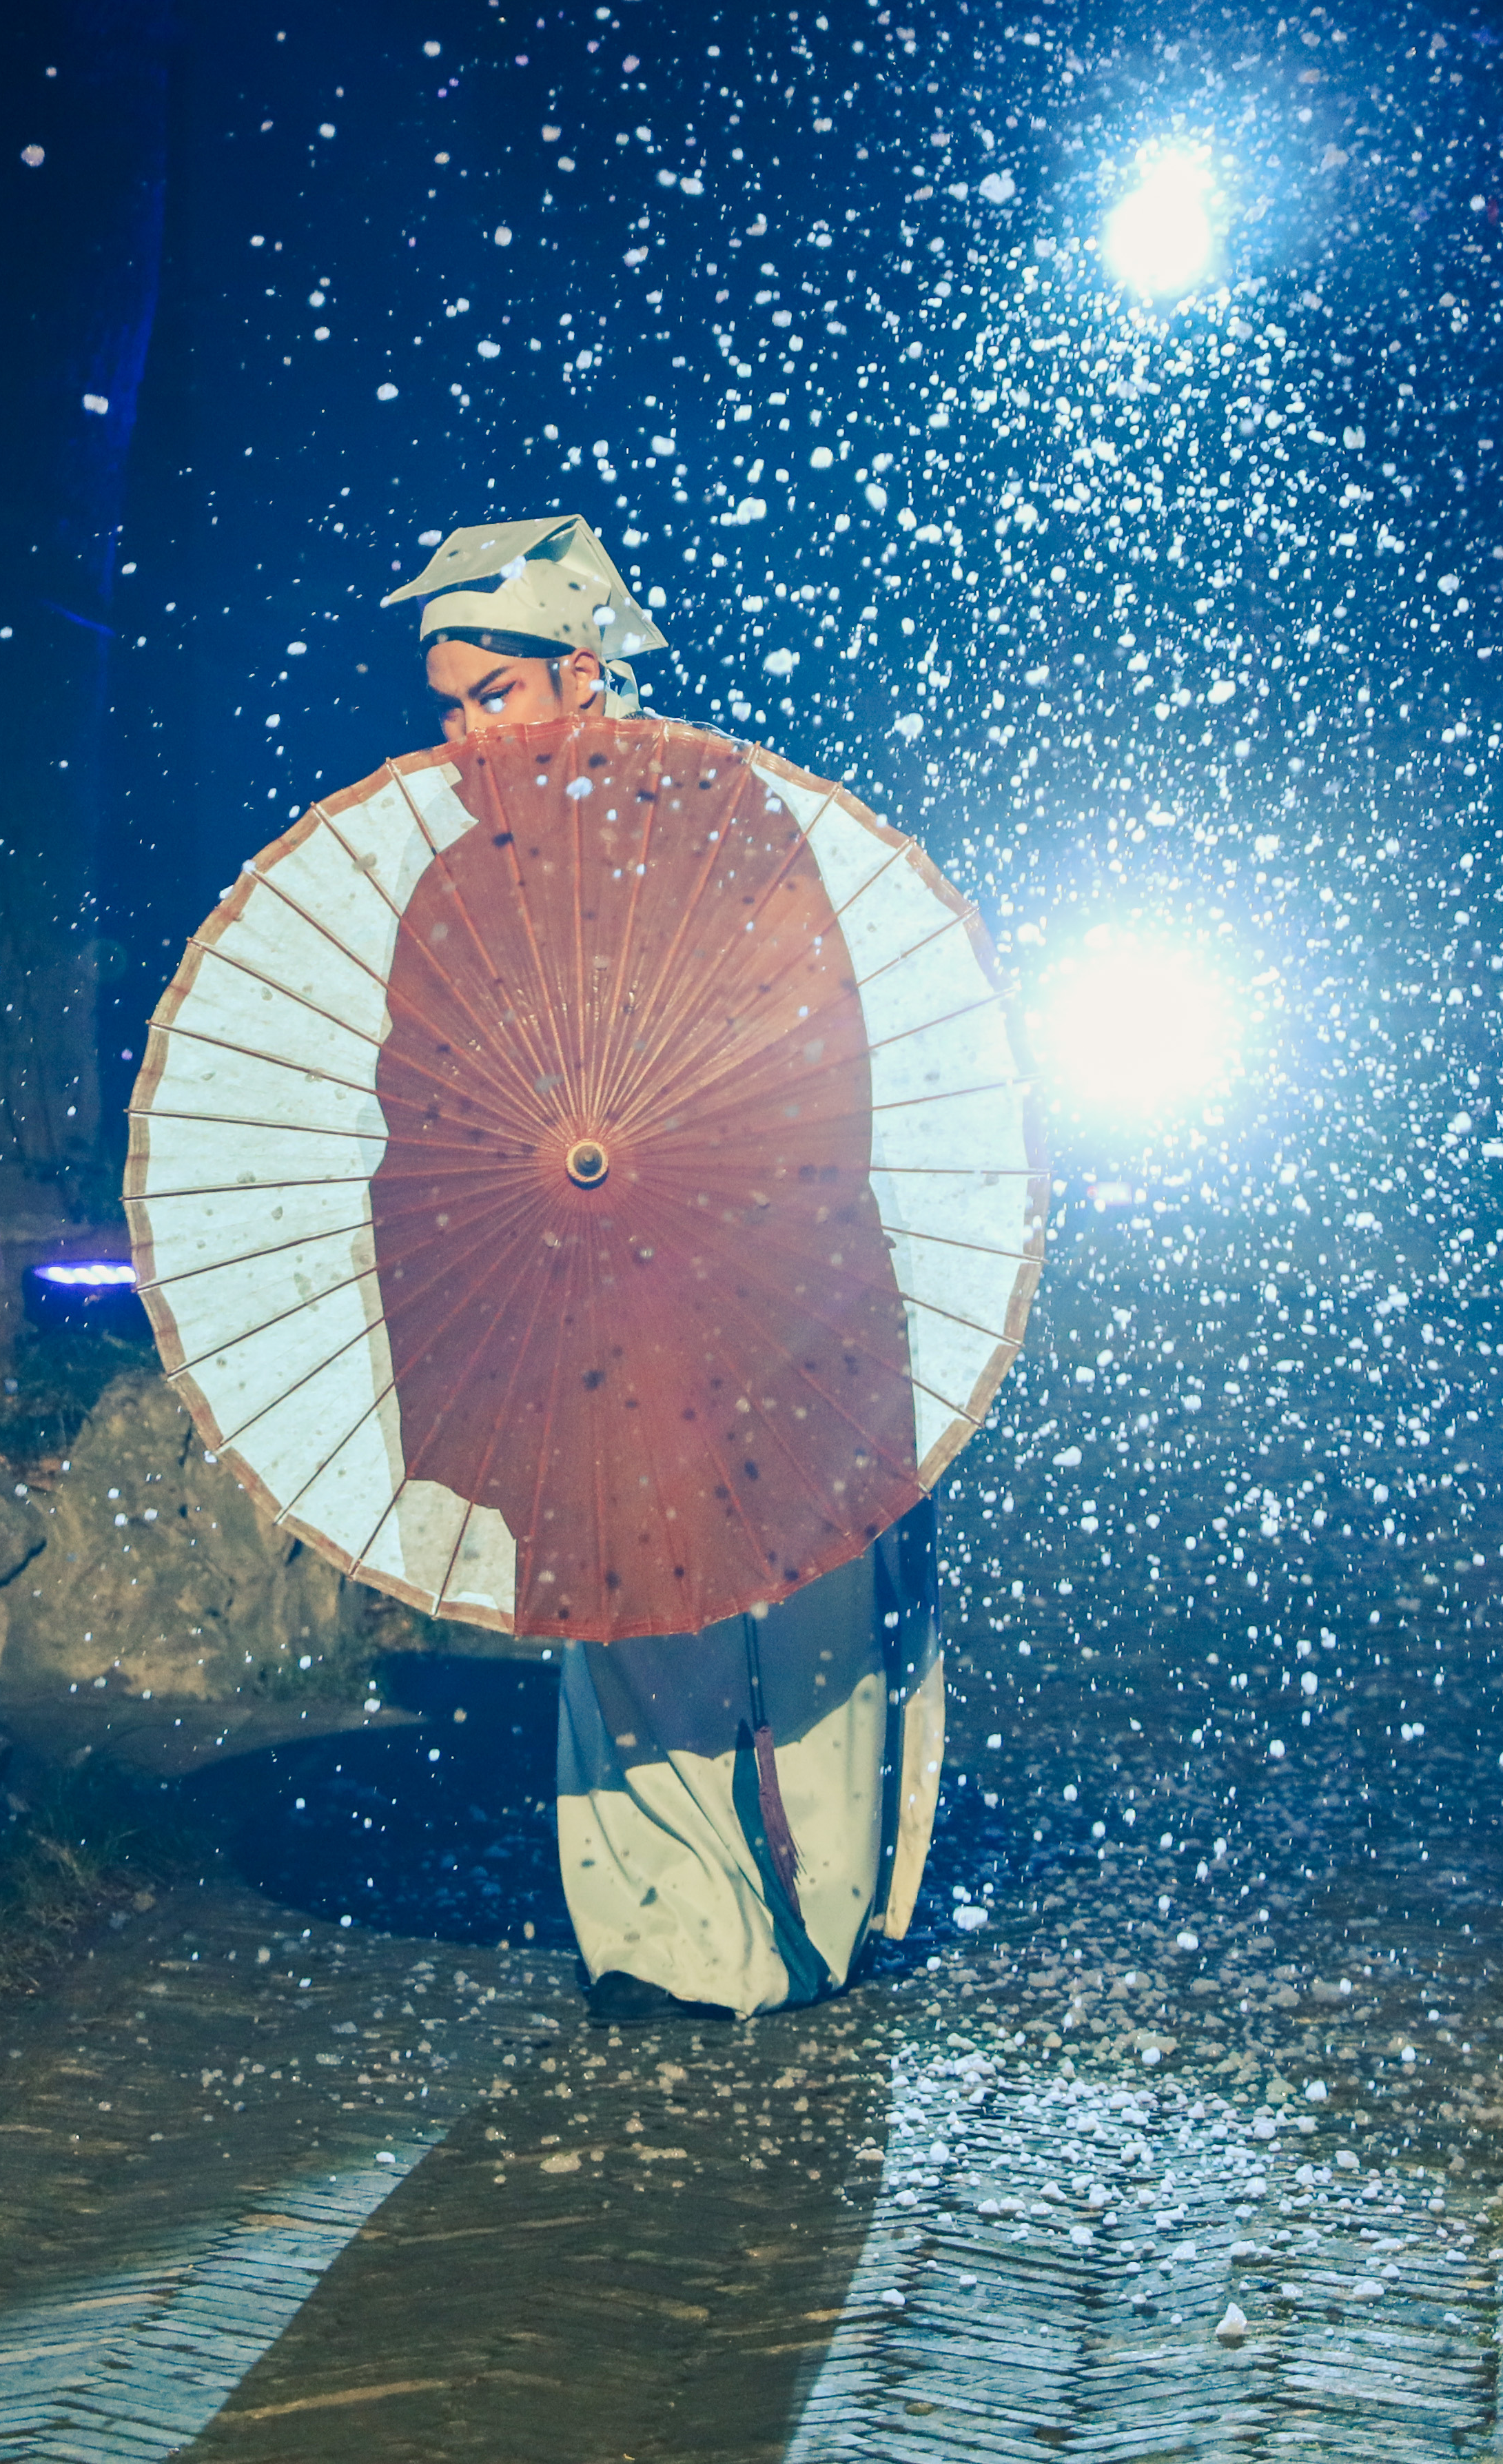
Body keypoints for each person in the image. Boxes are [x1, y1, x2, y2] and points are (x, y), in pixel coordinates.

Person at [383, 516, 948, 2021]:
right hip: (590, 1295)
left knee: (804, 1597)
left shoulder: (717, 816)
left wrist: (691, 1144)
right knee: (628, 1599)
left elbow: (805, 1033)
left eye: (488, 696)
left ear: (578, 671)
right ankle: (669, 1941)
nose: (459, 733)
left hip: (773, 1273)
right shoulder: (462, 880)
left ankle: (819, 1924)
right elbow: (422, 1105)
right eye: (442, 704)